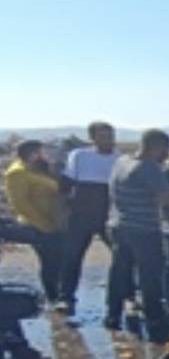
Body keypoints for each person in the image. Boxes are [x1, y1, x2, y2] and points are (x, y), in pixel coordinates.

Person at [105, 129, 169, 341]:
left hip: (119, 224)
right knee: (150, 276)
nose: (167, 155)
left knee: (119, 272)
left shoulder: (122, 162)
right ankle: (156, 322)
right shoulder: (148, 168)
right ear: (156, 147)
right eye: (166, 150)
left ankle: (112, 316)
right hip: (144, 230)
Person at [57, 121, 120, 315]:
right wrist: (62, 211)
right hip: (81, 213)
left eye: (110, 136)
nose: (107, 140)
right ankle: (65, 297)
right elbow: (66, 184)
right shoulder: (80, 156)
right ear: (93, 138)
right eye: (102, 136)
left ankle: (126, 296)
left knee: (122, 256)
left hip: (108, 213)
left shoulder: (120, 159)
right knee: (72, 256)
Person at [3, 140, 65, 303]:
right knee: (50, 260)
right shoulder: (17, 172)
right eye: (41, 151)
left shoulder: (39, 169)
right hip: (37, 224)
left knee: (58, 259)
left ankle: (57, 293)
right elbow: (20, 203)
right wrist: (43, 225)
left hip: (54, 221)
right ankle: (52, 296)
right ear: (32, 153)